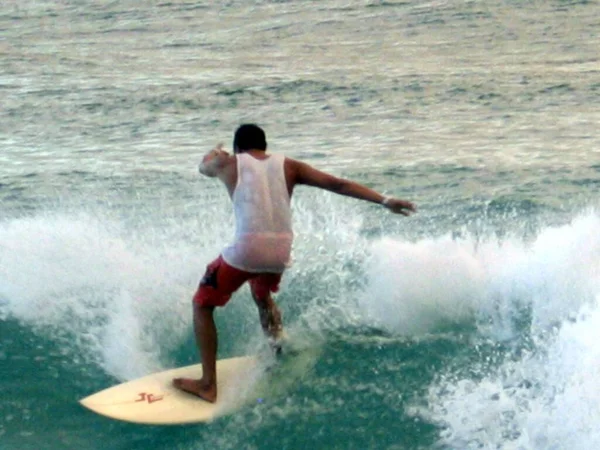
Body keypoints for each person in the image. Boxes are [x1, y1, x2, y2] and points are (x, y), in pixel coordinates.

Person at [173, 124, 416, 403]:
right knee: (262, 295)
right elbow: (338, 184)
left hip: (247, 250)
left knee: (202, 304)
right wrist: (384, 200)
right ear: (264, 146)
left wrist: (214, 152)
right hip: (279, 253)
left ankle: (207, 385)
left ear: (238, 147)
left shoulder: (229, 162)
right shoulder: (290, 166)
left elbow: (204, 168)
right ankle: (277, 348)